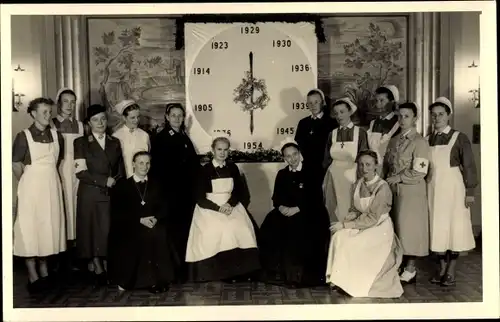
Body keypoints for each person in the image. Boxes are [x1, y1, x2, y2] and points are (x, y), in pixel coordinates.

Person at [325, 150, 403, 298]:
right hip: (362, 223)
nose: (364, 168)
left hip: (379, 227)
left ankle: (355, 283)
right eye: (361, 165)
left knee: (355, 243)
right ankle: (339, 279)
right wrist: (347, 219)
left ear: (376, 166)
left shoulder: (382, 187)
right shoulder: (357, 184)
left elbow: (373, 218)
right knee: (339, 237)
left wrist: (346, 225)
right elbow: (355, 209)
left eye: (368, 164)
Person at [185, 135, 260, 283]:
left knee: (241, 227)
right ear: (213, 150)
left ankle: (242, 272)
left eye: (226, 150)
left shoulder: (232, 167)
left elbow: (239, 191)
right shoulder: (204, 170)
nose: (222, 153)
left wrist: (230, 204)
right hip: (209, 207)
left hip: (230, 205)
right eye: (219, 149)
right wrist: (218, 208)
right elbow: (200, 198)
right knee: (219, 229)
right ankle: (222, 273)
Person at [259, 139, 330, 288]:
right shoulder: (282, 174)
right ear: (284, 158)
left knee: (298, 232)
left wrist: (297, 209)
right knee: (269, 224)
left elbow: (316, 198)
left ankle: (298, 277)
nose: (292, 159)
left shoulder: (312, 171)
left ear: (300, 154)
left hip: (309, 211)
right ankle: (277, 273)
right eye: (288, 156)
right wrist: (280, 207)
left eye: (295, 154)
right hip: (286, 211)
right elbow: (276, 197)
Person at [12, 97, 66, 293]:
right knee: (30, 229)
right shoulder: (23, 136)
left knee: (48, 229)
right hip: (31, 189)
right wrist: (29, 183)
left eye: (49, 111)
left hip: (51, 187)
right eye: (43, 111)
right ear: (33, 114)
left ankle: (44, 270)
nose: (47, 115)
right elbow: (16, 165)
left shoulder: (56, 135)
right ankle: (32, 274)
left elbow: (57, 161)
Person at [108, 151, 176, 293]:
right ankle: (137, 281)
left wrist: (156, 218)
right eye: (140, 163)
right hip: (131, 225)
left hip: (154, 223)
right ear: (133, 164)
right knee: (140, 237)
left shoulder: (157, 184)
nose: (144, 167)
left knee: (158, 234)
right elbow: (117, 212)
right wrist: (139, 220)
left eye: (147, 163)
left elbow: (164, 206)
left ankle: (158, 280)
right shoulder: (122, 186)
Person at [427, 97, 478, 286]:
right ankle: (441, 267)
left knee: (454, 228)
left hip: (454, 188)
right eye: (434, 115)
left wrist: (470, 191)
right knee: (437, 228)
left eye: (441, 114)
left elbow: (470, 166)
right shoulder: (427, 139)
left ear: (448, 116)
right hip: (432, 188)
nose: (437, 118)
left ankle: (451, 270)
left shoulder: (459, 137)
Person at [73, 104, 125, 286]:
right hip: (91, 194)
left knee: (108, 231)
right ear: (89, 123)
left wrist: (116, 182)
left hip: (110, 194)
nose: (100, 122)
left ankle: (106, 264)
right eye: (95, 120)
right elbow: (81, 172)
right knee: (93, 232)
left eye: (103, 118)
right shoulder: (80, 143)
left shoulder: (115, 142)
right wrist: (104, 181)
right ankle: (97, 265)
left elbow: (121, 170)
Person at [150, 103, 200, 282]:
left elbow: (192, 165)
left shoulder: (184, 137)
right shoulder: (162, 138)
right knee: (173, 232)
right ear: (167, 116)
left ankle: (183, 268)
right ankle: (175, 271)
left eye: (180, 115)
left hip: (185, 194)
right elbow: (158, 170)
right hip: (170, 195)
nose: (177, 119)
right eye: (174, 115)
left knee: (184, 231)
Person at [383, 102, 430, 284]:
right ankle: (400, 265)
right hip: (394, 190)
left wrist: (399, 178)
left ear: (415, 119)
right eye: (400, 116)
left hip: (411, 190)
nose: (402, 120)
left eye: (406, 116)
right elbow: (388, 165)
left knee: (410, 230)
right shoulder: (394, 140)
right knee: (397, 228)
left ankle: (411, 268)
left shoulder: (420, 142)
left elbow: (420, 171)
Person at [51, 88, 84, 272]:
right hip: (61, 171)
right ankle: (60, 257)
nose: (70, 105)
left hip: (77, 173)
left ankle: (75, 255)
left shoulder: (80, 125)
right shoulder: (52, 124)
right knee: (62, 209)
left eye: (73, 102)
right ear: (59, 103)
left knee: (76, 209)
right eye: (66, 101)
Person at [323, 97, 368, 223]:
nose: (339, 116)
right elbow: (326, 158)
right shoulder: (332, 133)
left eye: (342, 112)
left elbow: (364, 157)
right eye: (336, 113)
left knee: (350, 208)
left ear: (350, 112)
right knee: (334, 209)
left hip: (352, 177)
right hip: (334, 177)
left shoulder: (360, 133)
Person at [294, 89, 338, 195]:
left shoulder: (331, 123)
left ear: (322, 102)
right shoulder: (303, 123)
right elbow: (298, 146)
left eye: (316, 102)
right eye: (310, 103)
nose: (313, 105)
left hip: (324, 169)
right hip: (306, 169)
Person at [112, 99, 150, 179]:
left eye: (138, 117)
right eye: (132, 118)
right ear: (124, 118)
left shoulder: (144, 135)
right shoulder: (116, 136)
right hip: (124, 180)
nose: (136, 120)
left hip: (142, 180)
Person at [367, 85, 401, 165]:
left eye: (381, 100)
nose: (377, 105)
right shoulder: (373, 123)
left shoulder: (398, 123)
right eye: (376, 101)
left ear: (392, 102)